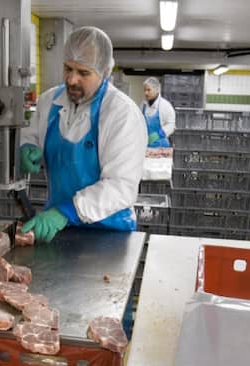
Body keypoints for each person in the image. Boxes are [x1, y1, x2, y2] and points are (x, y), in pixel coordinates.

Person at [18, 27, 147, 243]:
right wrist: (27, 147)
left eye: (83, 73)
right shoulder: (49, 102)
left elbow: (121, 186)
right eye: (68, 68)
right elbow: (30, 136)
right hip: (57, 229)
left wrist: (67, 212)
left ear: (104, 72)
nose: (71, 80)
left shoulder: (121, 113)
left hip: (108, 234)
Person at [141, 77, 175, 147]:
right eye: (144, 90)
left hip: (161, 147)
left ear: (156, 90)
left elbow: (171, 125)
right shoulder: (143, 105)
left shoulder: (165, 105)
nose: (146, 93)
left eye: (148, 90)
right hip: (146, 145)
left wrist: (158, 134)